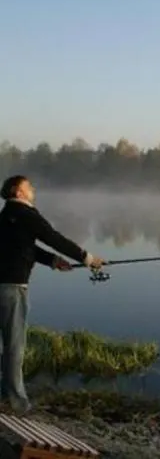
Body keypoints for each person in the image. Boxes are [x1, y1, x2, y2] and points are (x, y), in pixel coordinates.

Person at [0, 175, 104, 413]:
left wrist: (52, 261)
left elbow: (24, 246)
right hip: (13, 287)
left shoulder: (6, 215)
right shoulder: (27, 213)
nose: (33, 188)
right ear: (18, 192)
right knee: (14, 345)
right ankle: (16, 402)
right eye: (29, 186)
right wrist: (87, 258)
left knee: (6, 345)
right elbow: (53, 237)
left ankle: (6, 393)